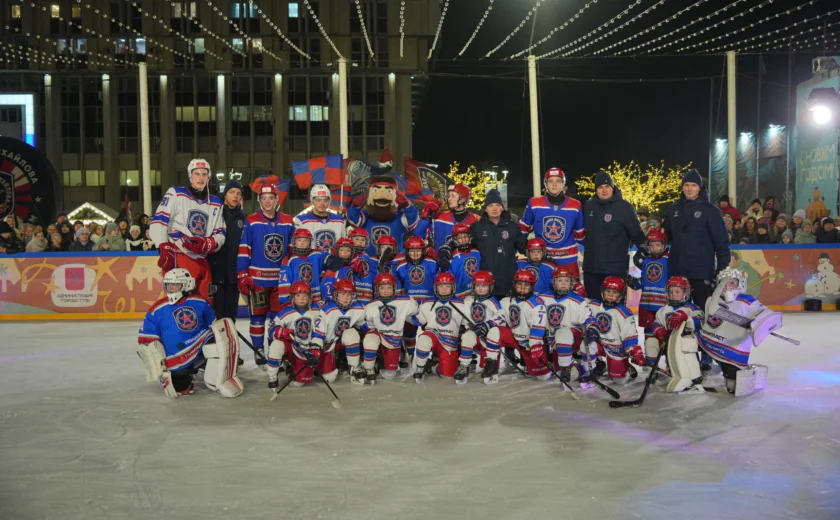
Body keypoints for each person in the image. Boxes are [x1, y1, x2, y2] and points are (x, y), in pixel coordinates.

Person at [137, 268, 244, 398]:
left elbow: (215, 327)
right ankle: (184, 374)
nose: (170, 288)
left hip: (200, 347)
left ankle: (220, 373)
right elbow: (146, 337)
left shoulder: (200, 302)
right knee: (180, 388)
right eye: (168, 284)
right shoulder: (157, 308)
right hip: (177, 354)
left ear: (186, 285)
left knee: (215, 344)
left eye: (175, 284)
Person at [236, 181, 295, 363]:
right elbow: (244, 249)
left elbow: (292, 251)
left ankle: (275, 349)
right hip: (258, 280)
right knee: (257, 317)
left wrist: (293, 274)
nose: (267, 201)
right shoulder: (251, 221)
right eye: (264, 198)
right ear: (259, 200)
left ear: (277, 199)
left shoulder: (288, 221)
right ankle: (258, 350)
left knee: (279, 318)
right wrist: (242, 275)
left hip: (280, 281)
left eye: (271, 198)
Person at [150, 158, 226, 299]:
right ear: (190, 176)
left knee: (205, 303)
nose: (200, 178)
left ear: (208, 177)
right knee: (180, 302)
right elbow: (159, 221)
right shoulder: (176, 193)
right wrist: (163, 246)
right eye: (197, 173)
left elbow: (220, 232)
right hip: (180, 256)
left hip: (203, 260)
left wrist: (208, 243)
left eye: (204, 174)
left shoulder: (216, 203)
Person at [699, 267, 781, 396]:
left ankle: (734, 373)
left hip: (733, 348)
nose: (728, 286)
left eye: (732, 282)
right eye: (724, 283)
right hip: (712, 344)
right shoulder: (712, 300)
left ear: (740, 283)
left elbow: (765, 313)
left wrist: (758, 323)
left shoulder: (747, 300)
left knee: (732, 385)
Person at [662, 169, 729, 310]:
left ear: (700, 188)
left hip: (701, 271)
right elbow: (665, 237)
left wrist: (722, 268)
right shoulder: (673, 209)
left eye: (693, 185)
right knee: (678, 310)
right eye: (686, 185)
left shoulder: (711, 211)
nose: (689, 188)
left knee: (703, 308)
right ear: (682, 188)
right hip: (678, 270)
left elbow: (721, 242)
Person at [581, 171, 646, 298]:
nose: (604, 190)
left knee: (614, 307)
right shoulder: (588, 206)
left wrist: (647, 252)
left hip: (615, 269)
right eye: (600, 187)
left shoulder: (625, 207)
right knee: (592, 306)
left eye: (607, 186)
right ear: (596, 190)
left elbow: (637, 234)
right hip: (591, 268)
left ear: (613, 187)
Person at [518, 168, 586, 275]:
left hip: (568, 259)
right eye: (551, 181)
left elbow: (580, 235)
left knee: (573, 286)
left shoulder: (575, 205)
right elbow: (522, 230)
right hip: (543, 260)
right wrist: (528, 250)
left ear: (563, 184)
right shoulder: (534, 203)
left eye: (558, 181)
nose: (554, 184)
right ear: (545, 184)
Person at [464, 189, 528, 299]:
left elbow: (525, 248)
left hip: (508, 282)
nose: (494, 208)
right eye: (491, 205)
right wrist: (447, 249)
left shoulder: (512, 227)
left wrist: (544, 256)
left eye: (498, 205)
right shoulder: (477, 227)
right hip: (485, 284)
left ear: (502, 208)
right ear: (486, 209)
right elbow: (462, 242)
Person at [488, 269, 551, 380]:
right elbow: (499, 318)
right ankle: (491, 364)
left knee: (543, 377)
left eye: (526, 285)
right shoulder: (506, 301)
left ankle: (539, 361)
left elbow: (538, 329)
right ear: (514, 284)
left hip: (528, 343)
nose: (522, 288)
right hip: (512, 337)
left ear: (532, 286)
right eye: (519, 284)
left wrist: (535, 346)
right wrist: (488, 325)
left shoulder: (537, 304)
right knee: (493, 331)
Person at [409, 272, 471, 384]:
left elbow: (468, 325)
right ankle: (420, 367)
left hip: (449, 344)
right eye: (441, 286)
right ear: (435, 287)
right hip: (433, 337)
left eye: (447, 286)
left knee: (448, 376)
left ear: (453, 287)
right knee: (424, 339)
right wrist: (405, 313)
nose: (444, 289)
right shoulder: (427, 303)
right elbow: (417, 321)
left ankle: (434, 365)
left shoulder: (462, 304)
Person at [539, 266, 597, 384]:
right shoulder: (543, 297)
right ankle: (575, 368)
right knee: (544, 375)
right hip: (552, 341)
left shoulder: (578, 301)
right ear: (554, 282)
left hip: (572, 339)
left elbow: (588, 318)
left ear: (571, 283)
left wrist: (591, 329)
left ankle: (567, 368)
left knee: (563, 331)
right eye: (560, 280)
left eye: (566, 281)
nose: (563, 283)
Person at [645, 276, 703, 392]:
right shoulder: (663, 310)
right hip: (668, 341)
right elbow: (656, 323)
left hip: (684, 342)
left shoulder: (692, 308)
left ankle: (694, 375)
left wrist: (687, 318)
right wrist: (659, 330)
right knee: (651, 341)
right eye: (671, 292)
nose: (674, 295)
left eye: (677, 292)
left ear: (686, 292)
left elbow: (700, 321)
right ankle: (653, 370)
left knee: (687, 344)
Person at [265, 282, 325, 391]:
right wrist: (281, 331)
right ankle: (272, 376)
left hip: (308, 349)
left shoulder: (317, 310)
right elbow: (271, 328)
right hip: (292, 347)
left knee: (298, 383)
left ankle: (289, 367)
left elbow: (321, 329)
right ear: (292, 297)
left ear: (309, 297)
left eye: (305, 296)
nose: (301, 299)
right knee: (276, 345)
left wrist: (316, 347)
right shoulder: (286, 311)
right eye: (298, 295)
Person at [361, 273, 419, 385]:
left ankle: (384, 359)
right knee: (371, 339)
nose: (385, 291)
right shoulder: (371, 305)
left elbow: (415, 315)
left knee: (390, 375)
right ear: (377, 289)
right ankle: (369, 367)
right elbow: (368, 326)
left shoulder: (406, 302)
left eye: (389, 287)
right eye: (382, 288)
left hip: (394, 341)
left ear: (394, 288)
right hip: (379, 337)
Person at [586, 276, 643, 385]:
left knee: (619, 380)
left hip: (615, 349)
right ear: (602, 291)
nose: (610, 295)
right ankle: (596, 366)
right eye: (608, 291)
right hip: (599, 343)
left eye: (615, 292)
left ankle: (626, 368)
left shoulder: (624, 313)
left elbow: (630, 334)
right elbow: (580, 310)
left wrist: (633, 350)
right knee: (585, 345)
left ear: (621, 294)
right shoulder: (593, 305)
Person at [313, 278, 369, 386]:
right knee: (329, 378)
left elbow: (364, 326)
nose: (346, 298)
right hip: (328, 345)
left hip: (341, 343)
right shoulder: (327, 309)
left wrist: (373, 332)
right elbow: (318, 334)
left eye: (349, 294)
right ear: (336, 294)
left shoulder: (357, 308)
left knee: (351, 333)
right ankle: (333, 363)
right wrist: (315, 349)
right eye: (343, 294)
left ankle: (354, 367)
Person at [459, 271, 508, 384]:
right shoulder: (468, 300)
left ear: (490, 287)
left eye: (484, 286)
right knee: (467, 336)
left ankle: (492, 365)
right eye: (477, 285)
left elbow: (501, 318)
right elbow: (463, 316)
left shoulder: (493, 302)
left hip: (489, 337)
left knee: (484, 365)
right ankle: (464, 365)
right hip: (475, 335)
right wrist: (467, 325)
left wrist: (488, 325)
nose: (480, 288)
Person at [208, 180, 246, 323]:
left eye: (239, 193)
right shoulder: (215, 213)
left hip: (233, 276)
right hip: (216, 274)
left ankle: (230, 337)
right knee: (216, 314)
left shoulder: (243, 217)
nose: (235, 196)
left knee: (231, 314)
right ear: (225, 194)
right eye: (232, 192)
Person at [414, 183, 480, 251]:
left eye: (453, 196)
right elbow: (418, 234)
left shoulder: (476, 220)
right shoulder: (439, 217)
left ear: (462, 199)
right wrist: (426, 216)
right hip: (440, 257)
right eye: (448, 196)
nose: (449, 199)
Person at [634, 227, 669, 343]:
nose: (654, 248)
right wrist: (635, 283)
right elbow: (645, 280)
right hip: (646, 304)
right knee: (649, 338)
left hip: (663, 305)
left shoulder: (669, 259)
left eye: (658, 245)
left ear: (664, 244)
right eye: (651, 245)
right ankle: (650, 354)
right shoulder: (646, 260)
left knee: (664, 336)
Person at [277, 228, 326, 305]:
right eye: (299, 240)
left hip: (315, 298)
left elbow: (328, 262)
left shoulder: (317, 255)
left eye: (305, 240)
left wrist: (330, 258)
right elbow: (284, 282)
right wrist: (286, 301)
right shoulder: (288, 260)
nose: (302, 243)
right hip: (298, 300)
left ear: (309, 243)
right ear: (294, 242)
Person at [293, 184, 346, 251]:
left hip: (334, 257)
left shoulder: (339, 220)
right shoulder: (301, 221)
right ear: (312, 201)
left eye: (325, 200)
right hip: (311, 257)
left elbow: (345, 246)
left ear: (329, 201)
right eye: (318, 200)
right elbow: (296, 246)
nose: (322, 203)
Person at [441, 223, 482, 297]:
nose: (463, 240)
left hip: (478, 293)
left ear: (470, 237)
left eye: (465, 237)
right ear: (455, 240)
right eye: (459, 238)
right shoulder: (452, 257)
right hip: (460, 295)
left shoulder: (476, 252)